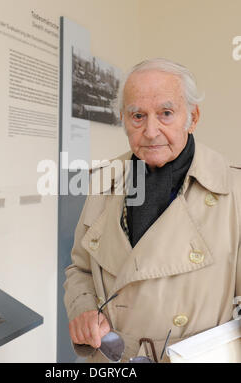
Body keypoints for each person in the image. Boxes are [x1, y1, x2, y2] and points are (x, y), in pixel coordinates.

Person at [63, 58, 241, 363]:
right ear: (123, 119)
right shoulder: (104, 181)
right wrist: (83, 309)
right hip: (112, 358)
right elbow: (80, 269)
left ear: (193, 117)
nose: (150, 130)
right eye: (137, 116)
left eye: (166, 114)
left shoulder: (233, 188)